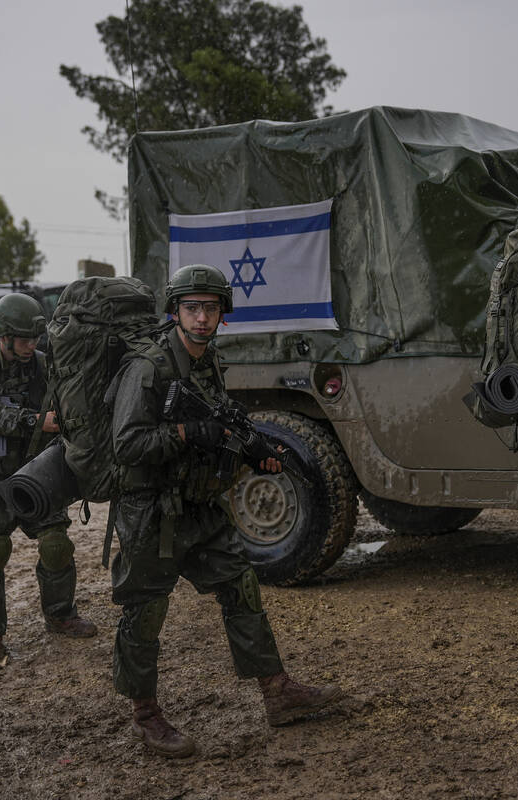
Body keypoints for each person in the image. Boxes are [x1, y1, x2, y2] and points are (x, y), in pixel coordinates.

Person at [107, 264, 343, 758]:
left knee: (242, 587)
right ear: (176, 312)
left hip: (199, 508)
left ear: (222, 315)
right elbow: (127, 444)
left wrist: (251, 450)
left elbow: (219, 421)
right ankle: (146, 717)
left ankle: (277, 692)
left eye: (210, 308)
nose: (200, 317)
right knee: (145, 613)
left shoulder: (207, 362)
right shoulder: (147, 368)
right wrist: (187, 434)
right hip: (151, 513)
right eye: (191, 308)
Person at [0, 292, 96, 667]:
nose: (32, 346)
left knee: (56, 545)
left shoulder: (42, 366)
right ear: (3, 336)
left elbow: (67, 400)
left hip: (34, 469)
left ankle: (61, 614)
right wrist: (32, 421)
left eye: (35, 339)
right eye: (24, 339)